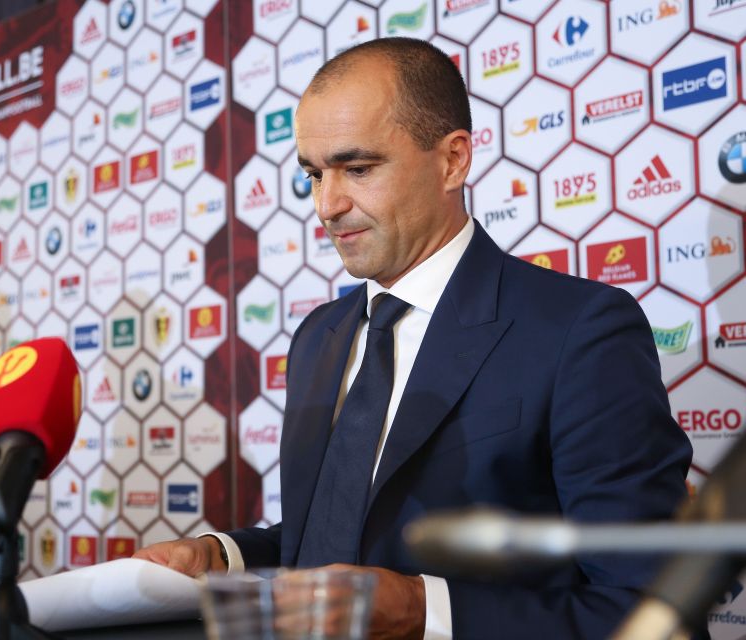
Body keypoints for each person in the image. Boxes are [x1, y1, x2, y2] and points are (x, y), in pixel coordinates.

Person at [134, 38, 692, 638]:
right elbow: (336, 537)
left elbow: (651, 609)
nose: (328, 204)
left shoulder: (579, 332)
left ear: (453, 161)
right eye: (313, 174)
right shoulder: (318, 337)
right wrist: (224, 555)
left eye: (358, 168)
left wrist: (426, 610)